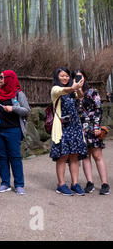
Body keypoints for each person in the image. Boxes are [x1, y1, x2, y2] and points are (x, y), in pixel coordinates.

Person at [0, 70, 30, 195]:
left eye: (1, 77)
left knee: (15, 157)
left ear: (9, 78)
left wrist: (13, 108)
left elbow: (26, 110)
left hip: (13, 130)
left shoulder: (18, 94)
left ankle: (19, 184)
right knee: (2, 157)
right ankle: (5, 183)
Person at [49, 67, 87, 196]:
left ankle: (75, 183)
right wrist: (73, 87)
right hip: (62, 127)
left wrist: (79, 86)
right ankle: (61, 184)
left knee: (74, 156)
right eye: (62, 76)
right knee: (62, 156)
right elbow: (64, 90)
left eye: (67, 76)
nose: (65, 78)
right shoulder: (55, 89)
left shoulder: (73, 89)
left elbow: (81, 96)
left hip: (74, 126)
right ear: (57, 77)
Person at [72, 70, 110, 195]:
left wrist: (98, 126)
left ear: (85, 77)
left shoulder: (93, 92)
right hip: (81, 129)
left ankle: (105, 183)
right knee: (85, 157)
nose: (78, 79)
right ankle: (90, 182)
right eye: (76, 77)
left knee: (97, 155)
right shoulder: (73, 94)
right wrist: (76, 89)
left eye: (80, 76)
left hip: (94, 128)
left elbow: (99, 109)